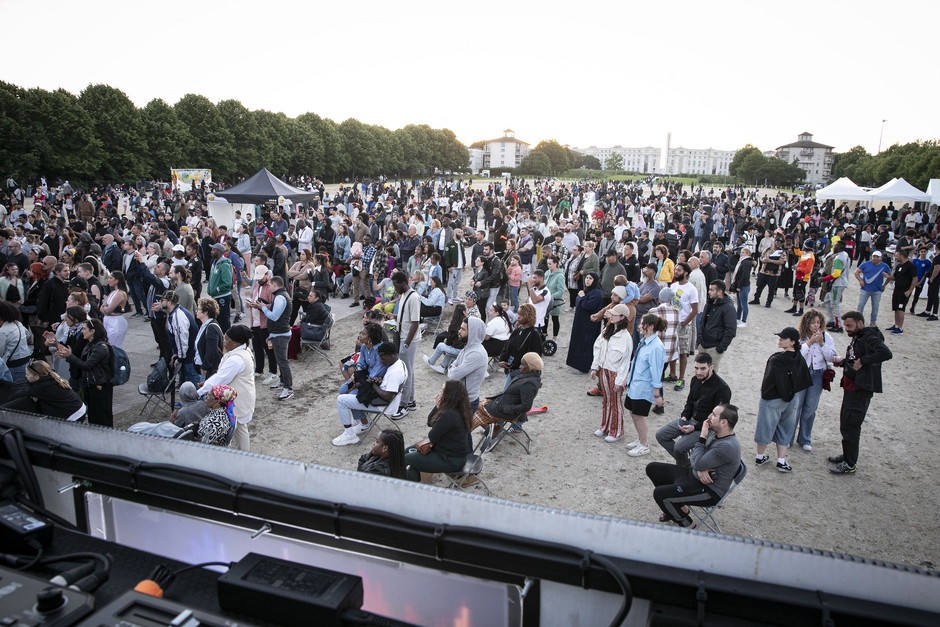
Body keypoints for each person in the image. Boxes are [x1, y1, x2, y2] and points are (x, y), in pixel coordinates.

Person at [645, 403, 742, 528]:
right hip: (695, 476)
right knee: (653, 468)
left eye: (713, 415)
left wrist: (701, 438)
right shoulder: (715, 432)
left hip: (709, 490)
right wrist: (700, 468)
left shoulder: (726, 446)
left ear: (723, 422)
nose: (709, 416)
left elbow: (698, 461)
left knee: (660, 494)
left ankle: (687, 524)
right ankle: (680, 508)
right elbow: (697, 461)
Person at [829, 310, 893, 475]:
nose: (847, 329)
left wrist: (863, 361)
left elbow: (886, 353)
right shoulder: (859, 337)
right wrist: (845, 362)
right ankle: (847, 455)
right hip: (852, 386)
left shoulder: (869, 337)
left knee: (851, 425)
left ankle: (850, 464)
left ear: (860, 323)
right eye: (845, 326)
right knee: (846, 423)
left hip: (860, 389)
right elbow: (856, 356)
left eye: (849, 325)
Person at [655, 352, 732, 465]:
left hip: (707, 428)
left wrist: (694, 427)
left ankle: (685, 468)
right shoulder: (695, 379)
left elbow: (717, 419)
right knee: (661, 435)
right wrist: (685, 416)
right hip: (690, 420)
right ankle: (687, 464)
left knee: (678, 447)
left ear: (711, 367)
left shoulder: (722, 389)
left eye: (702, 369)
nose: (698, 372)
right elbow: (690, 402)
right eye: (696, 368)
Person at [753, 327, 812, 473]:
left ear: (792, 342)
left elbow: (767, 382)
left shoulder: (776, 359)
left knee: (765, 426)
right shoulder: (799, 358)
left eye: (783, 338)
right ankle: (781, 461)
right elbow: (804, 379)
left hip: (772, 399)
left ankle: (760, 456)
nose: (779, 339)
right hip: (792, 399)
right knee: (786, 429)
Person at [333, 342, 407, 446]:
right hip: (383, 399)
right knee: (356, 391)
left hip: (383, 404)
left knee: (341, 400)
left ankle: (349, 435)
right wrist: (379, 381)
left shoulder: (395, 373)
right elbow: (389, 388)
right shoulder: (399, 364)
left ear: (391, 356)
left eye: (383, 358)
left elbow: (388, 396)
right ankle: (362, 423)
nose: (381, 361)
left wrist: (373, 385)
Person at [198, 324, 257, 451]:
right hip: (242, 397)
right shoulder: (243, 351)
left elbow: (220, 378)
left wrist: (199, 392)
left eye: (226, 339)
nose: (223, 342)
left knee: (229, 432)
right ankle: (245, 455)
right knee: (240, 429)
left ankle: (236, 457)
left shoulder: (236, 359)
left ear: (235, 342)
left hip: (237, 401)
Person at [617, 313, 666, 457]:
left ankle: (644, 444)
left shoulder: (656, 347)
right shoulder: (644, 341)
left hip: (644, 388)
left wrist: (657, 393)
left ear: (650, 327)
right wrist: (628, 378)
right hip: (635, 385)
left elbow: (656, 372)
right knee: (633, 412)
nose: (639, 326)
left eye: (642, 324)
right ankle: (640, 439)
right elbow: (636, 363)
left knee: (639, 415)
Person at [405, 380, 471, 482]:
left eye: (443, 390)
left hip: (449, 460)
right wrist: (437, 407)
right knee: (408, 450)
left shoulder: (450, 415)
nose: (439, 392)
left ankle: (411, 484)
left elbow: (432, 436)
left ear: (450, 394)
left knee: (407, 459)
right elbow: (430, 423)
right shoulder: (458, 409)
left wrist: (439, 408)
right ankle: (413, 482)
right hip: (449, 454)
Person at [793, 309, 837, 452]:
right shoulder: (800, 336)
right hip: (802, 373)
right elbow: (796, 355)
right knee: (795, 407)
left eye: (818, 322)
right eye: (813, 323)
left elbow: (831, 357)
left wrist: (822, 343)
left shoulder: (827, 337)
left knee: (810, 408)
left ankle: (805, 438)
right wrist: (810, 342)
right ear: (806, 323)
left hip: (818, 374)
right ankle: (788, 438)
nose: (816, 326)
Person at [57, 319, 113, 427]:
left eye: (84, 329)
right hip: (92, 385)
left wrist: (69, 356)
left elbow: (86, 365)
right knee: (93, 415)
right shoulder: (91, 344)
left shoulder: (100, 348)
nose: (82, 331)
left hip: (100, 386)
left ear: (92, 331)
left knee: (101, 417)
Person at [590, 304, 633, 442]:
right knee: (607, 400)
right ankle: (605, 427)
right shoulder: (607, 331)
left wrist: (620, 381)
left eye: (615, 314)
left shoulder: (626, 337)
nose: (612, 316)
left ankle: (617, 431)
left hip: (615, 372)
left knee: (615, 402)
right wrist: (595, 367)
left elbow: (625, 362)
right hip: (604, 370)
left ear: (622, 317)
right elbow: (598, 348)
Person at [247, 276, 293, 401]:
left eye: (271, 285)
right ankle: (283, 382)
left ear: (274, 285)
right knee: (280, 360)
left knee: (283, 362)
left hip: (281, 334)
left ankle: (288, 388)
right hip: (278, 333)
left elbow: (274, 316)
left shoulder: (280, 297)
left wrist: (262, 308)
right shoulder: (281, 296)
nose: (269, 288)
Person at [482, 351, 543, 440]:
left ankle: (491, 432)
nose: (519, 366)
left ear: (530, 367)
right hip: (503, 405)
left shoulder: (528, 384)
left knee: (475, 410)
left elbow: (526, 406)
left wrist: (507, 409)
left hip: (505, 410)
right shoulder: (527, 376)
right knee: (477, 406)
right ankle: (494, 429)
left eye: (522, 365)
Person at [2, 359, 85, 421]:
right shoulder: (49, 377)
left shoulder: (41, 388)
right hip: (79, 406)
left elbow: (18, 392)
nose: (25, 376)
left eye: (27, 374)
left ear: (37, 377)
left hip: (73, 414)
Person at [391, 270, 420, 418]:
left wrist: (406, 344)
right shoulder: (403, 296)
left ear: (403, 283)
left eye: (396, 285)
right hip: (403, 336)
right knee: (409, 370)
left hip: (409, 339)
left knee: (405, 373)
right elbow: (405, 316)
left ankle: (403, 405)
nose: (395, 288)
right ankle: (410, 401)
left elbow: (415, 323)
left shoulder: (413, 297)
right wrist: (393, 316)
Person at [447, 317, 488, 421]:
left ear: (473, 332)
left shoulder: (476, 353)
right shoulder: (468, 348)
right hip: (460, 398)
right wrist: (454, 367)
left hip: (467, 402)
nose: (459, 332)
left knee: (462, 435)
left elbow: (453, 375)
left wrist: (455, 367)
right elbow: (452, 368)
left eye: (463, 329)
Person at [160, 290, 201, 386]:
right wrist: (176, 354)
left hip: (189, 358)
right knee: (185, 385)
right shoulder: (174, 313)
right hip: (186, 356)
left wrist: (180, 358)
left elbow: (182, 340)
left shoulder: (178, 316)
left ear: (169, 303)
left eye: (162, 300)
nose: (160, 302)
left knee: (193, 386)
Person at [566, 271, 603, 374]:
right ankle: (576, 363)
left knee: (586, 344)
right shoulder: (586, 290)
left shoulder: (596, 293)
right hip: (580, 322)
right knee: (578, 342)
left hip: (588, 324)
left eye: (590, 278)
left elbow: (588, 305)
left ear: (594, 280)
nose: (587, 280)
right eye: (586, 278)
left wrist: (582, 297)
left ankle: (584, 367)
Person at [669, 262, 699, 391]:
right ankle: (672, 374)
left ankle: (681, 379)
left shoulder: (691, 289)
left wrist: (684, 323)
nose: (676, 272)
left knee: (682, 352)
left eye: (679, 270)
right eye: (676, 269)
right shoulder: (673, 285)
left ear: (686, 273)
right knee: (671, 350)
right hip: (672, 322)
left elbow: (695, 310)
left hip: (683, 324)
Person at [498, 303, 543, 388]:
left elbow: (535, 358)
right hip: (510, 369)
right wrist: (502, 360)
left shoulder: (534, 334)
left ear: (529, 316)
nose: (518, 316)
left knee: (506, 395)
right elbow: (506, 347)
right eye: (518, 314)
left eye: (522, 315)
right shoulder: (517, 331)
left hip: (522, 374)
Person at [698, 280, 737, 370]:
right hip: (703, 344)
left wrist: (720, 348)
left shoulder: (728, 307)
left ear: (719, 292)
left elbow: (731, 330)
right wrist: (700, 339)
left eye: (712, 290)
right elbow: (702, 322)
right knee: (700, 372)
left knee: (711, 375)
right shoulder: (709, 303)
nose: (709, 292)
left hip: (714, 347)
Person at [821, 241, 850, 333]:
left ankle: (838, 325)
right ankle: (833, 321)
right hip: (841, 282)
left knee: (834, 303)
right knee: (828, 300)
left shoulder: (838, 258)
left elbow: (836, 274)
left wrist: (824, 279)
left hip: (838, 283)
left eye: (836, 246)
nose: (834, 247)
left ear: (840, 247)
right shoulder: (845, 254)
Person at [885, 249, 916, 335]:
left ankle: (900, 328)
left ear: (902, 256)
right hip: (897, 290)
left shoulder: (910, 266)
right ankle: (896, 325)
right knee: (895, 308)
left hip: (904, 291)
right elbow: (894, 278)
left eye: (896, 255)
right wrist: (887, 276)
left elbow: (914, 278)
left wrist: (910, 290)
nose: (895, 257)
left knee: (900, 309)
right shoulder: (898, 266)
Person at [0, 300, 32, 382]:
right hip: (26, 361)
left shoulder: (3, 331)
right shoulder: (18, 324)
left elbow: (0, 352)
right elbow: (28, 335)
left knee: (14, 390)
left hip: (14, 366)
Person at [194, 297, 224, 379]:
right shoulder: (205, 325)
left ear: (205, 312)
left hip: (209, 371)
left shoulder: (211, 328)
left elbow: (212, 351)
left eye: (198, 309)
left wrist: (205, 367)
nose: (196, 311)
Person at [208, 243, 234, 334]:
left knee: (224, 321)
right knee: (218, 320)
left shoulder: (223, 264)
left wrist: (217, 289)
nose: (211, 251)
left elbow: (227, 283)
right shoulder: (214, 263)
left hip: (222, 297)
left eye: (213, 250)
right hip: (216, 296)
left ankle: (227, 338)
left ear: (219, 252)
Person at [100, 271, 129, 349]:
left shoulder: (120, 293)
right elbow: (102, 307)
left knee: (114, 346)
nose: (108, 280)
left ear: (117, 280)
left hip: (116, 323)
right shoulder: (112, 292)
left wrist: (105, 308)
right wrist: (105, 308)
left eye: (110, 278)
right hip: (108, 320)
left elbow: (108, 310)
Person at [729, 246, 753, 328]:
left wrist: (739, 286)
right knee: (739, 304)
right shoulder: (742, 261)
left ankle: (744, 320)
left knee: (743, 304)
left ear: (747, 254)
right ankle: (738, 318)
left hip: (743, 286)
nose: (740, 254)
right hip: (740, 285)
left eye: (743, 252)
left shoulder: (746, 262)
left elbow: (744, 276)